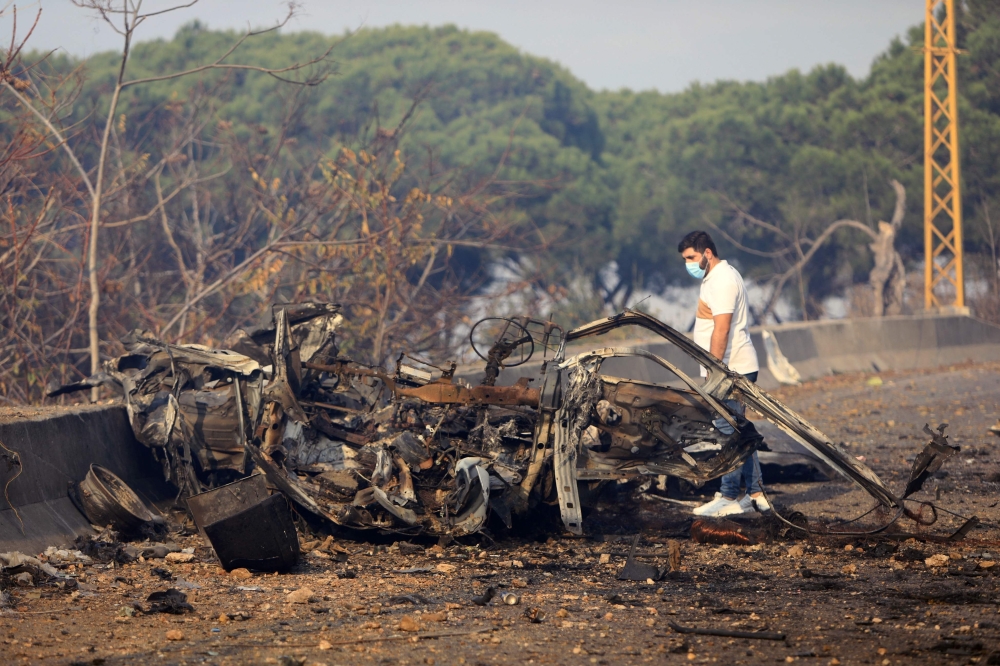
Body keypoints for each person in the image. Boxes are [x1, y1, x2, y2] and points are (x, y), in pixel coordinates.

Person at [677, 230, 770, 517]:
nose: (688, 264)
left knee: (729, 435)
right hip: (730, 368)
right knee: (736, 433)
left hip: (730, 370)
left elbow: (722, 328)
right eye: (684, 259)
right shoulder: (718, 278)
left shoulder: (722, 280)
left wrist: (716, 371)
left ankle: (732, 496)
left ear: (707, 253)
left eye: (691, 257)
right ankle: (754, 495)